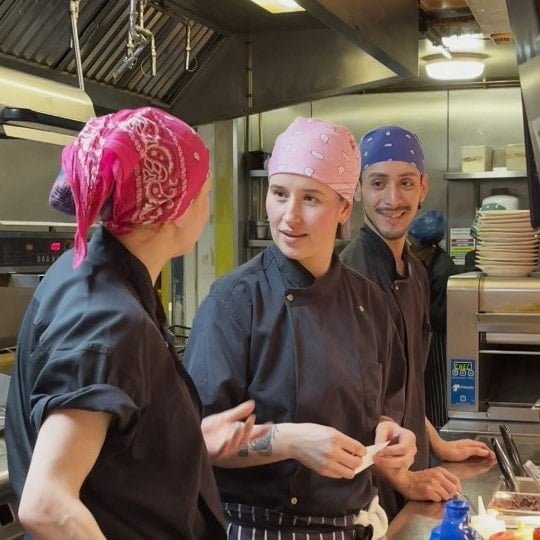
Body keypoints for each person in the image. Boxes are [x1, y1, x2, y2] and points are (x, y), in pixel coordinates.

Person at [5, 107, 269, 539]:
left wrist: (187, 442)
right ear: (174, 210)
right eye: (203, 188)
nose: (208, 198)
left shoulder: (90, 270)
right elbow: (47, 503)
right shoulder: (107, 323)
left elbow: (111, 458)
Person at [183, 117, 417, 540]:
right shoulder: (235, 301)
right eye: (279, 194)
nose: (289, 216)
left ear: (344, 207)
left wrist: (391, 438)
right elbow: (196, 439)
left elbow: (383, 408)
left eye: (310, 198)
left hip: (355, 524)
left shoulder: (369, 302)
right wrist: (288, 441)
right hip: (258, 528)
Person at [340, 125, 494, 518]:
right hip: (371, 486)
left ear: (423, 186)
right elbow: (353, 404)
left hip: (415, 469)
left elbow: (406, 386)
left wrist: (438, 445)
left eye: (405, 182)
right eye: (378, 183)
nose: (392, 199)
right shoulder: (350, 277)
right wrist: (404, 479)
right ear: (358, 189)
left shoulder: (416, 273)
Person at [408, 210, 460, 429]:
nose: (410, 250)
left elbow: (438, 315)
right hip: (429, 334)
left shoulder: (442, 270)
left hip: (439, 338)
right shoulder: (429, 261)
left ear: (428, 247)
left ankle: (440, 429)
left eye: (414, 247)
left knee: (438, 386)